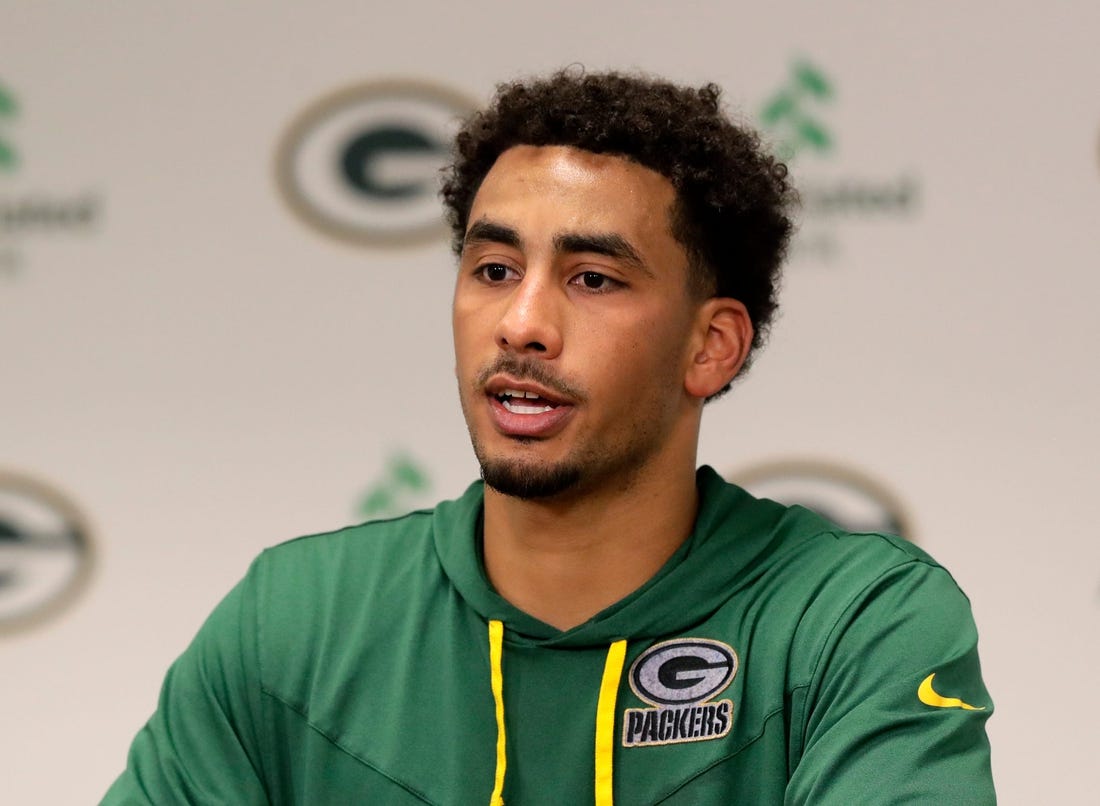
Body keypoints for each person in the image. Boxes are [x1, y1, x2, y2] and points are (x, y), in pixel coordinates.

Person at [103, 69, 994, 804]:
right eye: (493, 269)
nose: (522, 324)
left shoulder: (854, 620)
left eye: (594, 279)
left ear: (710, 345)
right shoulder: (294, 620)